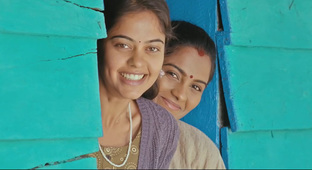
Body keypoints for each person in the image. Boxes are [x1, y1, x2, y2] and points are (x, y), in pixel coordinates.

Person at [83, 0, 179, 169]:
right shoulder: (60, 116)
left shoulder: (162, 128)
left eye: (153, 48)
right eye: (123, 45)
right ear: (99, 45)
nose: (137, 62)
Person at [150, 21, 226, 169]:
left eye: (196, 87)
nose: (181, 95)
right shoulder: (105, 132)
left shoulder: (201, 153)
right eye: (173, 74)